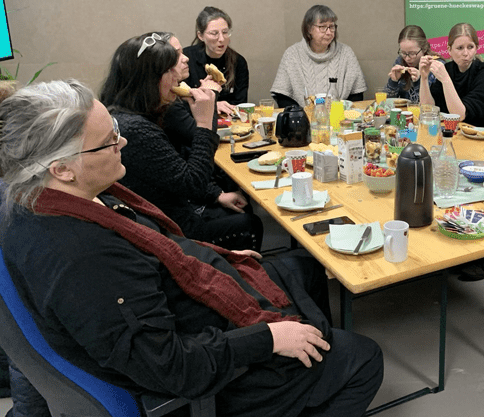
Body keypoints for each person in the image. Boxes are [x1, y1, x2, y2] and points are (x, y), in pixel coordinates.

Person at [0, 80, 383, 417]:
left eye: (114, 129)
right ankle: (310, 370)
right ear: (61, 169)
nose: (123, 142)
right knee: (363, 359)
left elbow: (159, 247)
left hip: (196, 300)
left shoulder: (56, 200)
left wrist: (220, 258)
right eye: (108, 141)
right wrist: (269, 339)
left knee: (306, 267)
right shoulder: (85, 258)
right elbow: (171, 366)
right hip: (210, 371)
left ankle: (311, 364)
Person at [99, 33, 263, 251]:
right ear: (149, 78)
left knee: (240, 207)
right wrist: (205, 123)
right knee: (249, 224)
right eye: (170, 69)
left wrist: (216, 194)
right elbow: (192, 184)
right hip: (171, 232)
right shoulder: (135, 130)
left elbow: (173, 173)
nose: (177, 75)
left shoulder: (140, 112)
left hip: (173, 210)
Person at [271, 5, 367, 108]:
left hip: (339, 114)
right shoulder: (292, 54)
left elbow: (357, 93)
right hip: (303, 115)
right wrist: (301, 113)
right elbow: (281, 95)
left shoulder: (346, 53)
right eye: (322, 27)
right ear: (309, 29)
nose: (329, 32)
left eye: (331, 27)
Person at [419, 23, 484, 130]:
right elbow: (428, 110)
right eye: (460, 48)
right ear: (449, 50)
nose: (465, 53)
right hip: (455, 133)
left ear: (476, 48)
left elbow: (459, 115)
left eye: (470, 47)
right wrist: (424, 78)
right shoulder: (448, 69)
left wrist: (446, 80)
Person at [184, 6, 249, 117]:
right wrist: (213, 105)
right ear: (200, 36)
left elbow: (240, 103)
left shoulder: (238, 61)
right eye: (214, 33)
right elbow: (178, 103)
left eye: (225, 32)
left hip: (228, 119)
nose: (221, 39)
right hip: (195, 119)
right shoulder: (186, 59)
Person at [384, 25, 440, 103]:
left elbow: (429, 106)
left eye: (412, 53)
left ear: (424, 49)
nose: (407, 58)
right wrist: (393, 81)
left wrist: (419, 81)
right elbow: (385, 102)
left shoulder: (435, 66)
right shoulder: (400, 60)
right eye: (403, 53)